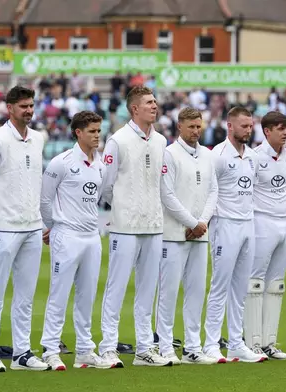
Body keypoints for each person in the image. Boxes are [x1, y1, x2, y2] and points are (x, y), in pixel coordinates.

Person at [98, 85, 171, 367]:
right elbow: (106, 185)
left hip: (153, 225)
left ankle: (144, 349)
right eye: (149, 103)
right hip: (125, 226)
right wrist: (122, 208)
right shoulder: (118, 140)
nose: (154, 106)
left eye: (155, 101)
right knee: (116, 288)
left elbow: (161, 185)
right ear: (134, 109)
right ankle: (107, 348)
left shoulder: (162, 141)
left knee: (147, 290)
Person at [0, 86, 49, 372]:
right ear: (9, 108)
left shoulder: (38, 138)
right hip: (2, 226)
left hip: (32, 227)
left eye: (31, 105)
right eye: (23, 106)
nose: (29, 111)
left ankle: (22, 353)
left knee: (25, 294)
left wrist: (43, 222)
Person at [39, 111, 111, 370]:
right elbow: (45, 199)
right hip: (66, 235)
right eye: (92, 131)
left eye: (99, 131)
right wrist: (51, 226)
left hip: (92, 236)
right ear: (78, 132)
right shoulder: (62, 162)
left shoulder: (101, 164)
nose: (97, 135)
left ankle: (84, 350)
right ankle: (49, 349)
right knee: (59, 293)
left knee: (87, 295)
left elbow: (100, 196)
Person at [155, 107, 219, 365]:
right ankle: (165, 346)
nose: (196, 131)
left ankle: (193, 347)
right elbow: (166, 194)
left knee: (196, 292)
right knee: (168, 292)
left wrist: (202, 222)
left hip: (199, 234)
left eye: (198, 126)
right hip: (173, 234)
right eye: (191, 126)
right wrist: (192, 222)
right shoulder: (169, 154)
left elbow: (213, 191)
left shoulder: (207, 154)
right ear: (179, 126)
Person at [203, 106, 265, 363]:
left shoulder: (252, 156)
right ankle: (211, 344)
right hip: (224, 224)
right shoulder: (217, 155)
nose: (248, 130)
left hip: (247, 225)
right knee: (220, 286)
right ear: (230, 126)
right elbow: (207, 190)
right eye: (243, 126)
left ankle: (236, 343)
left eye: (250, 126)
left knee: (240, 289)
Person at [243, 111, 286, 360]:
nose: (285, 132)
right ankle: (252, 342)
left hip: (284, 223)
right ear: (267, 131)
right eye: (280, 128)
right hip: (261, 221)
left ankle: (269, 342)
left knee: (276, 284)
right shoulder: (254, 157)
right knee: (255, 282)